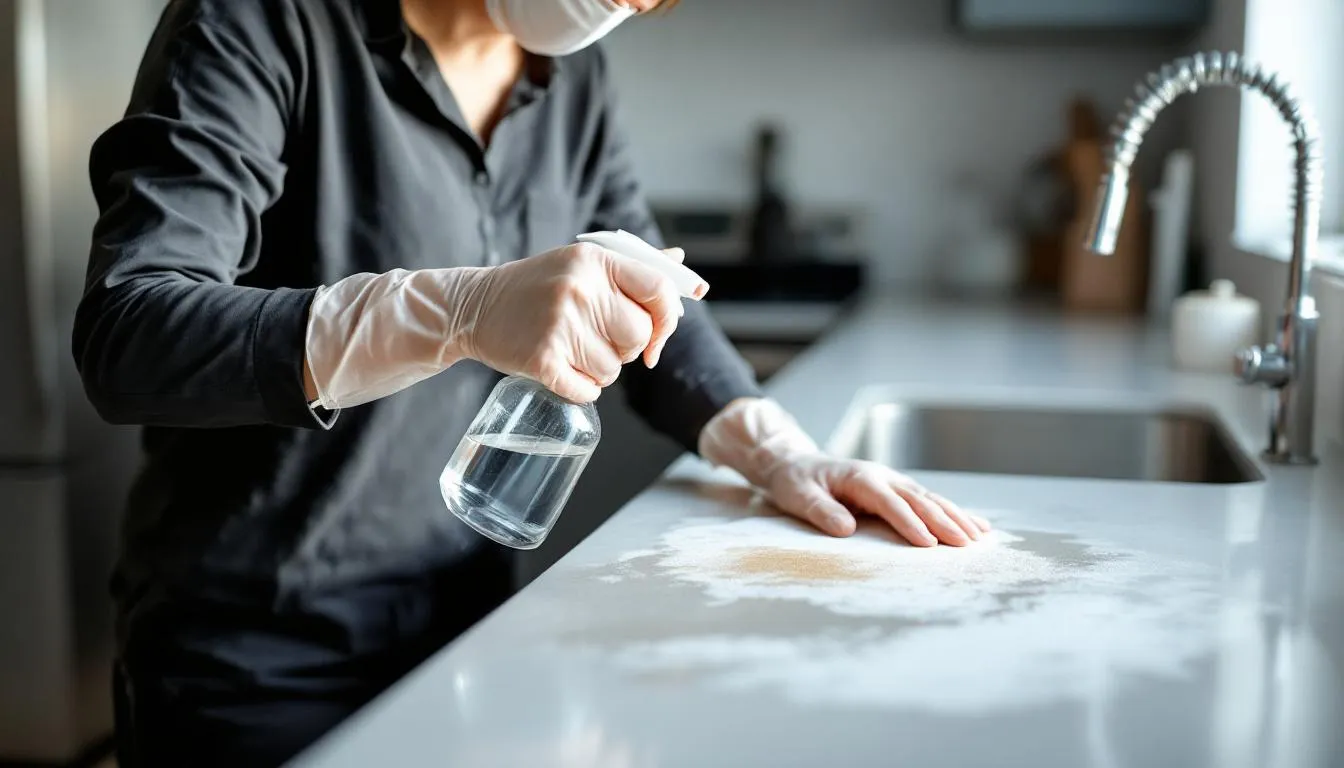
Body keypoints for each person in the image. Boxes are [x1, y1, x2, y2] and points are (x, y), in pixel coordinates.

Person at [74, 0, 991, 764]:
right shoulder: (261, 24)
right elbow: (132, 332)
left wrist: (775, 449)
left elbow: (650, 285)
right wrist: (455, 310)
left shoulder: (570, 81)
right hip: (256, 657)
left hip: (472, 630)